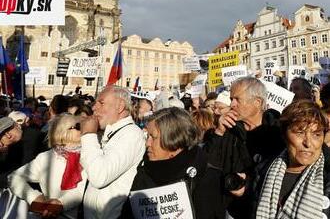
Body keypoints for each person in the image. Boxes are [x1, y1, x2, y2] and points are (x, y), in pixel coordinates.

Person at [120, 107, 225, 218]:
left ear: (174, 141)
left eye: (153, 137)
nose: (147, 143)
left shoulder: (206, 177)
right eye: (147, 136)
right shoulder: (145, 171)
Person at [207, 77, 284, 217]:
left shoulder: (278, 133)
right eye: (231, 99)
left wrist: (249, 184)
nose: (232, 104)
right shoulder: (228, 129)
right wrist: (218, 132)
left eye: (237, 99)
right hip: (231, 210)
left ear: (257, 102)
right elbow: (210, 165)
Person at [255, 100, 330, 218]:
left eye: (316, 134)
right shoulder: (262, 172)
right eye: (300, 133)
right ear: (285, 135)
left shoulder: (327, 180)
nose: (308, 143)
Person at [80, 85, 145, 219]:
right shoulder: (110, 132)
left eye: (101, 103)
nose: (94, 108)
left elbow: (99, 176)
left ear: (120, 106)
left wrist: (88, 135)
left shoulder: (131, 134)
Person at [8, 113, 86, 218]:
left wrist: (60, 203)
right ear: (63, 132)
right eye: (78, 126)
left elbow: (79, 191)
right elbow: (14, 177)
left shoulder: (88, 155)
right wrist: (35, 197)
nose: (84, 129)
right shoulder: (46, 158)